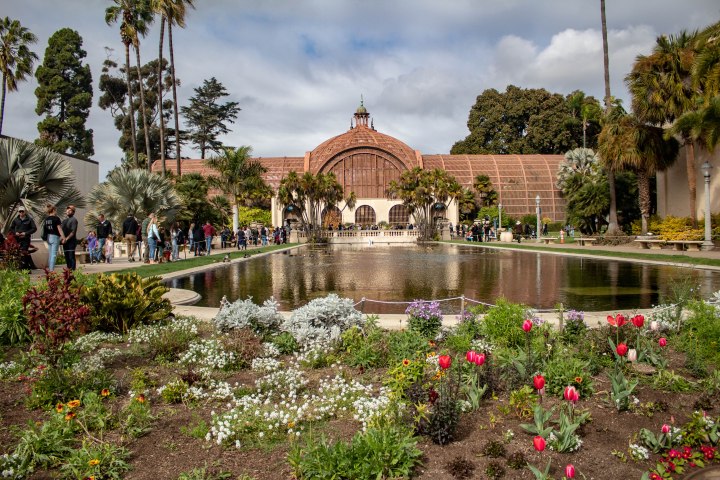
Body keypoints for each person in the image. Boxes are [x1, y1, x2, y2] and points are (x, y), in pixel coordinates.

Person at [42, 204, 65, 270]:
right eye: (56, 210)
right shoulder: (56, 218)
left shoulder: (46, 219)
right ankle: (51, 270)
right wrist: (63, 237)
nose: (56, 212)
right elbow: (59, 229)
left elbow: (45, 229)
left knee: (50, 254)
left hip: (48, 237)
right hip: (55, 237)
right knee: (54, 254)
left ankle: (50, 269)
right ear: (53, 210)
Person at [61, 205, 79, 270]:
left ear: (73, 212)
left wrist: (66, 239)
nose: (68, 211)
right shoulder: (64, 221)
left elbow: (73, 232)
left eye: (70, 210)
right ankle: (68, 271)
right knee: (67, 257)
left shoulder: (74, 220)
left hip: (71, 242)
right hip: (65, 242)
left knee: (71, 256)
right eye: (67, 209)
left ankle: (73, 271)